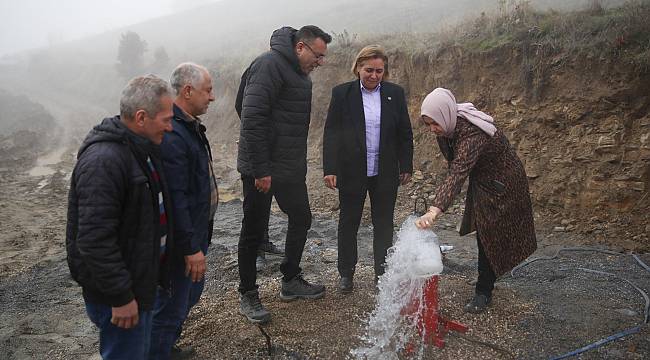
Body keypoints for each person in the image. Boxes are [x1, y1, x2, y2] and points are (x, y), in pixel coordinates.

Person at [66, 75, 174, 360]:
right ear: (141, 117)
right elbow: (93, 240)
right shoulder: (104, 161)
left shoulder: (141, 149)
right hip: (122, 297)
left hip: (140, 285)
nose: (170, 126)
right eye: (165, 118)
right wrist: (121, 297)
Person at [236, 25, 332, 324]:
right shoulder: (268, 65)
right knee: (254, 230)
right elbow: (249, 113)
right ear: (300, 47)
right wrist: (262, 168)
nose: (320, 61)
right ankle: (248, 293)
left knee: (302, 217)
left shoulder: (300, 74)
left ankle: (290, 280)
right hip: (261, 168)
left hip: (289, 166)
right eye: (318, 55)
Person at [415, 88, 537, 313]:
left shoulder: (472, 133)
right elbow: (455, 165)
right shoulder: (449, 124)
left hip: (504, 183)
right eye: (428, 124)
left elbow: (458, 171)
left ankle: (484, 292)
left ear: (445, 115)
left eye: (434, 123)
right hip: (483, 180)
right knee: (485, 230)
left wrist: (434, 210)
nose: (432, 129)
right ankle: (487, 278)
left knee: (490, 233)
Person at [322, 45, 414, 293]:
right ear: (358, 68)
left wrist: (406, 165)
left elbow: (405, 132)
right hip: (351, 170)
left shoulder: (395, 93)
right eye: (369, 70)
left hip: (385, 171)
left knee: (384, 223)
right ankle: (346, 274)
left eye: (379, 71)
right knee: (348, 222)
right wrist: (329, 167)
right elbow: (331, 133)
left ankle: (382, 273)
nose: (374, 75)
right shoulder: (342, 94)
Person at [150, 63, 217, 359]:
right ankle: (157, 352)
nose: (212, 97)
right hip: (182, 242)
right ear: (187, 91)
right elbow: (176, 197)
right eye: (208, 90)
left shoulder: (188, 125)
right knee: (172, 306)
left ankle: (166, 347)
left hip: (196, 233)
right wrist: (191, 247)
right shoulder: (175, 133)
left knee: (187, 298)